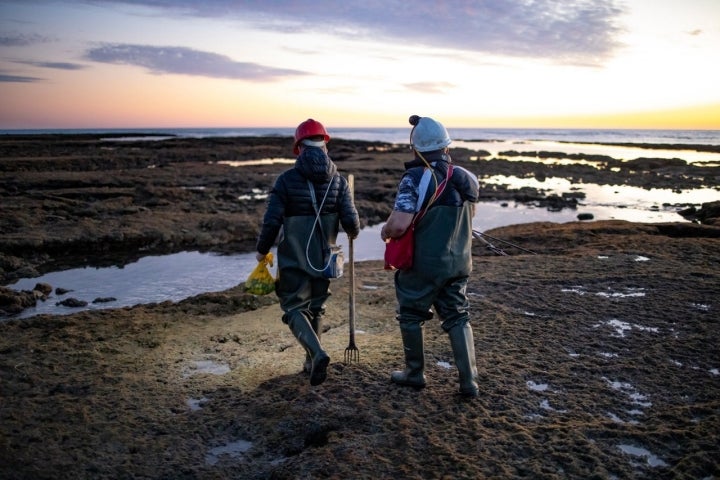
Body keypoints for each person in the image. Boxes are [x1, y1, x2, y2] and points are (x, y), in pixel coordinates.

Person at [380, 115, 481, 397]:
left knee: (411, 314)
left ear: (416, 149)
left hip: (424, 265)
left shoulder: (415, 178)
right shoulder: (467, 179)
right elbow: (469, 217)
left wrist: (385, 231)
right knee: (458, 317)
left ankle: (414, 373)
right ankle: (469, 381)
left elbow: (399, 225)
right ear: (446, 147)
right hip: (459, 263)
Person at [256, 118, 360, 386]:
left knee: (293, 307)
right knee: (316, 306)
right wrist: (353, 231)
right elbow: (351, 223)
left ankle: (317, 354)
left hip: (294, 256)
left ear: (299, 147)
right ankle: (310, 361)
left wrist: (262, 250)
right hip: (325, 256)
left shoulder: (287, 180)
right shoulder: (338, 181)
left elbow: (272, 221)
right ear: (324, 145)